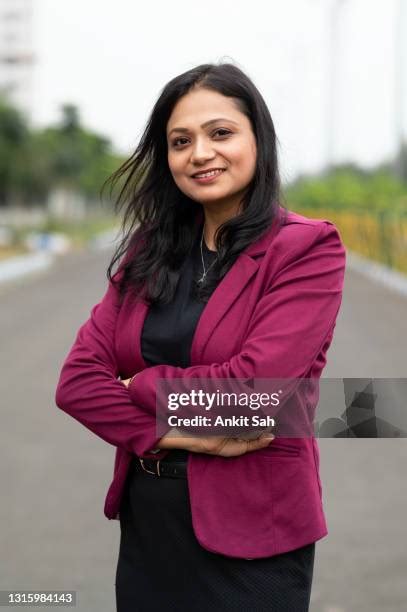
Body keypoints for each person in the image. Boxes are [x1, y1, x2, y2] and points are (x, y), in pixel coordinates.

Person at [55, 61, 346, 611]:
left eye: (221, 133)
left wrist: (138, 386)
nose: (200, 154)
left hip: (253, 532)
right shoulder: (149, 250)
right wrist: (179, 433)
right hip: (151, 524)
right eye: (180, 141)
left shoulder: (305, 249)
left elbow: (254, 395)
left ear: (257, 138)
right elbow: (75, 383)